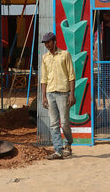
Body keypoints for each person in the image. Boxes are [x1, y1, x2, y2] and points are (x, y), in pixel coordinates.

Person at [40, 32, 75, 160]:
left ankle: (68, 144)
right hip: (50, 93)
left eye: (48, 42)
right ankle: (58, 150)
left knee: (64, 122)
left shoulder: (65, 55)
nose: (47, 45)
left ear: (54, 41)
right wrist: (43, 96)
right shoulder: (45, 58)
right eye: (45, 43)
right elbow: (44, 78)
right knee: (54, 124)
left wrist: (72, 94)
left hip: (63, 93)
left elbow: (71, 75)